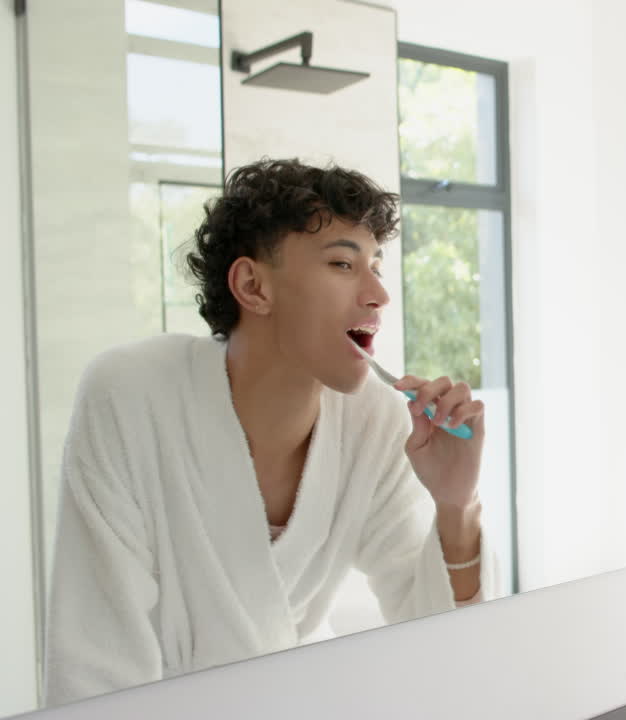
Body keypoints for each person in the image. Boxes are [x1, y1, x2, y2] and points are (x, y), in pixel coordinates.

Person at [44, 159, 499, 706]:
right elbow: (96, 657)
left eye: (376, 265)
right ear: (253, 286)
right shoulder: (131, 395)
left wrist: (458, 503)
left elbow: (441, 645)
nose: (379, 293)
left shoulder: (375, 422)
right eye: (342, 264)